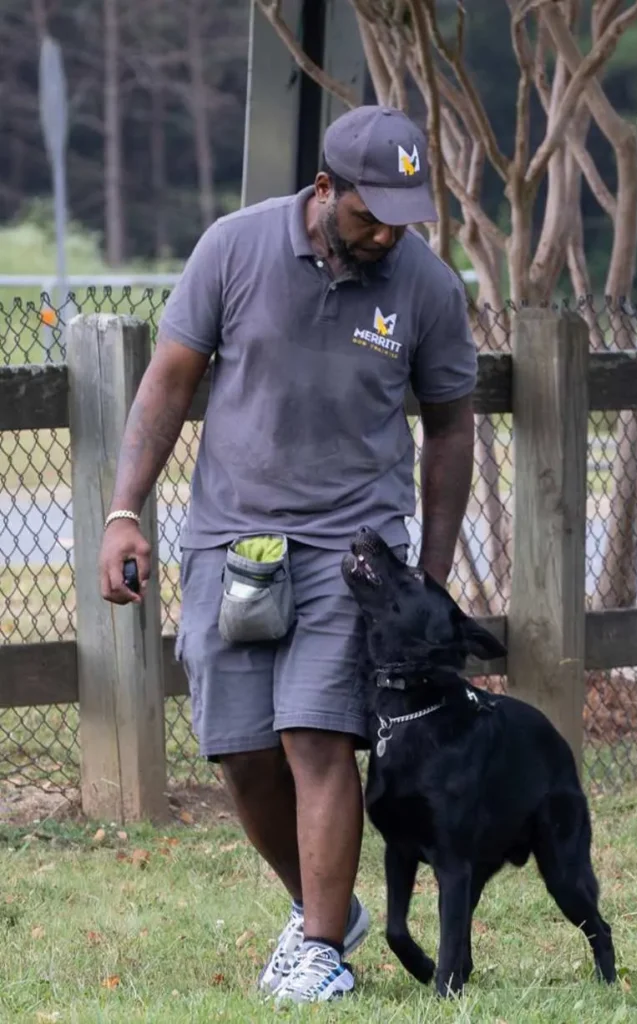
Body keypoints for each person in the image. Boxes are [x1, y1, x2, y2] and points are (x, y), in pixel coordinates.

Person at [98, 104, 476, 1004]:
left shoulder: (425, 287)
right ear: (322, 189)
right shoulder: (233, 248)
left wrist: (428, 572)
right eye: (367, 211)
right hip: (233, 541)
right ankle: (327, 907)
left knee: (317, 736)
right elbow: (168, 384)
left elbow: (452, 427)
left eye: (402, 215)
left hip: (355, 550)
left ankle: (317, 949)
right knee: (240, 751)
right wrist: (123, 511)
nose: (385, 229)